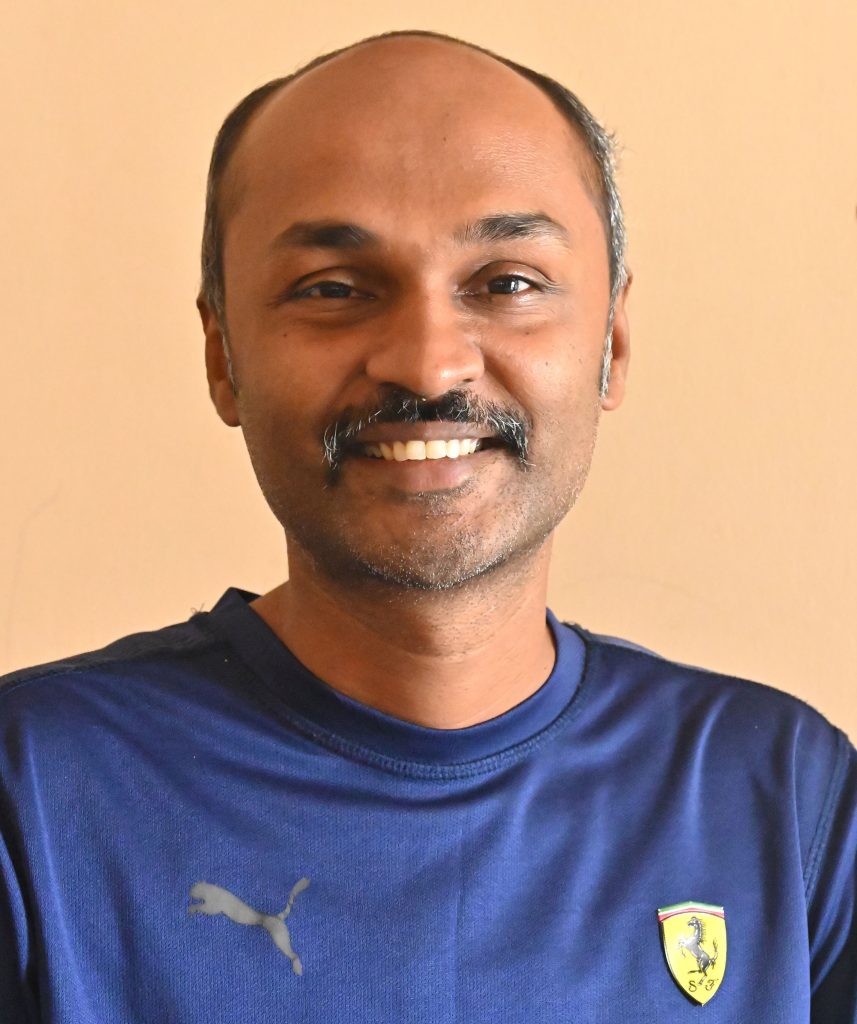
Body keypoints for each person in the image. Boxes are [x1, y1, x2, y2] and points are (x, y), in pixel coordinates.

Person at [0, 29, 854, 1023]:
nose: (426, 361)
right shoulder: (31, 800)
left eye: (507, 282)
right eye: (333, 289)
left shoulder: (785, 799)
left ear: (611, 344)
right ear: (222, 355)